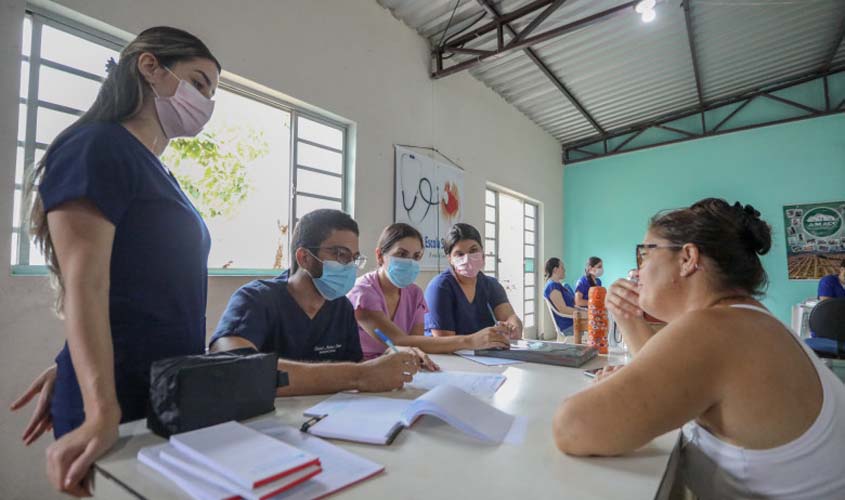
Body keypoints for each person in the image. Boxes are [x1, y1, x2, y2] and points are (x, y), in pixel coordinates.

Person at [9, 27, 222, 496]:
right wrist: (98, 404)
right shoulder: (97, 145)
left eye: (211, 92)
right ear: (150, 67)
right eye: (199, 82)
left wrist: (72, 365)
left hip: (161, 389)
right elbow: (86, 286)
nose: (206, 101)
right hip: (114, 400)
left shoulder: (156, 171)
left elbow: (138, 286)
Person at [552, 199, 845, 499]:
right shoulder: (746, 319)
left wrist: (613, 387)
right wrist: (628, 318)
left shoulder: (716, 330)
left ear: (688, 258)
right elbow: (670, 376)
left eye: (646, 253)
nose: (638, 272)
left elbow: (572, 427)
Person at [209, 209, 421, 395]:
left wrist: (382, 364)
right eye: (340, 254)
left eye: (354, 258)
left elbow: (352, 368)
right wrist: (361, 374)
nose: (350, 267)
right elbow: (233, 367)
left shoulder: (341, 308)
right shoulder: (256, 300)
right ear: (304, 258)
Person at [349, 223, 510, 359]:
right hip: (361, 372)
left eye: (416, 256)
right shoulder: (363, 292)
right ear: (379, 256)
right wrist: (471, 341)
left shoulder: (414, 294)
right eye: (401, 254)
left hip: (396, 367)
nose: (409, 262)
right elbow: (398, 340)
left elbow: (417, 343)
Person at [424, 223, 522, 340]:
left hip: (484, 354)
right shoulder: (440, 287)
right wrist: (479, 340)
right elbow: (444, 341)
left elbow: (509, 316)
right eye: (460, 254)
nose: (467, 258)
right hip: (448, 356)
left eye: (473, 250)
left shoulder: (491, 285)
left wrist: (513, 327)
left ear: (482, 253)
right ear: (450, 259)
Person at [543, 258, 578, 336]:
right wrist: (584, 314)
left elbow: (571, 305)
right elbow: (563, 309)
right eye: (562, 267)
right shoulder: (552, 286)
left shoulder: (558, 285)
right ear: (555, 270)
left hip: (575, 321)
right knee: (599, 324)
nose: (564, 270)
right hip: (569, 326)